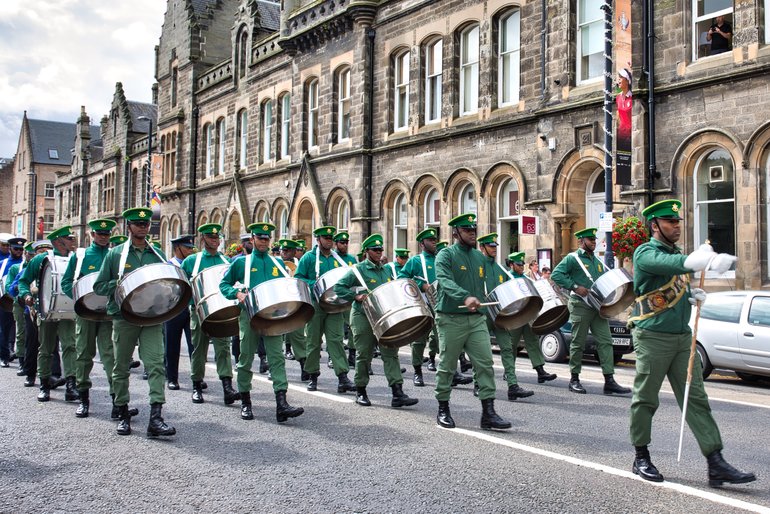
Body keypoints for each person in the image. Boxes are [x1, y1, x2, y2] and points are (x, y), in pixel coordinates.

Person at [628, 199, 755, 486]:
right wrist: (702, 260)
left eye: (678, 222)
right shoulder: (645, 252)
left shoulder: (679, 255)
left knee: (696, 399)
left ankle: (716, 462)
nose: (676, 226)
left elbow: (677, 279)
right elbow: (668, 265)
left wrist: (691, 296)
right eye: (670, 222)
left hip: (683, 338)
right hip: (652, 337)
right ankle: (641, 456)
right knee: (646, 398)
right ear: (654, 225)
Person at [93, 207, 176, 437]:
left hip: (151, 317)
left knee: (156, 365)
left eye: (146, 224)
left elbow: (168, 285)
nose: (143, 227)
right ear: (128, 227)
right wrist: (120, 285)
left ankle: (156, 418)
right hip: (124, 317)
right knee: (121, 367)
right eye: (138, 224)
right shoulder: (115, 254)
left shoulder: (157, 253)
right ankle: (122, 412)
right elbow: (99, 286)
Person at [219, 222, 304, 422]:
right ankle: (246, 402)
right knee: (246, 358)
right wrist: (236, 293)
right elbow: (223, 284)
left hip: (272, 316)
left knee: (276, 358)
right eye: (260, 238)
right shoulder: (242, 263)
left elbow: (286, 286)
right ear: (252, 240)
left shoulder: (278, 264)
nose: (264, 241)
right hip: (248, 315)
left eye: (267, 238)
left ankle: (281, 404)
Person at [433, 213, 510, 430]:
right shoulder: (445, 255)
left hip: (476, 319)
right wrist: (464, 297)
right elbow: (444, 281)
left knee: (485, 363)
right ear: (456, 233)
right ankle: (443, 408)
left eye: (474, 230)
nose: (472, 233)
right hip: (451, 318)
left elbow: (486, 286)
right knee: (448, 365)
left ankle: (489, 413)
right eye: (467, 230)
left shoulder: (479, 258)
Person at [333, 233, 418, 409]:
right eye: (375, 249)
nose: (379, 252)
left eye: (380, 249)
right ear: (366, 252)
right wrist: (355, 296)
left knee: (391, 352)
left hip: (383, 316)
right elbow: (339, 287)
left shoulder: (386, 270)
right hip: (362, 316)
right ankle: (361, 390)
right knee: (364, 354)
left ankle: (397, 393)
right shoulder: (358, 270)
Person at [551, 227, 632, 395]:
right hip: (580, 305)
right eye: (590, 240)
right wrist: (574, 286)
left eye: (594, 240)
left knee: (605, 341)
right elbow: (556, 275)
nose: (594, 242)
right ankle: (574, 379)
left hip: (597, 307)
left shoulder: (597, 261)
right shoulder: (572, 259)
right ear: (581, 241)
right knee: (578, 343)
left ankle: (609, 380)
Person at [61, 219, 116, 419]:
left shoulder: (115, 255)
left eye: (107, 234)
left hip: (108, 312)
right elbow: (67, 282)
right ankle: (83, 398)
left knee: (110, 355)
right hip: (86, 311)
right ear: (92, 235)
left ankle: (116, 400)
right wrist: (79, 299)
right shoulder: (81, 255)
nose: (103, 237)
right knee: (84, 354)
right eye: (100, 234)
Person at [18, 226, 79, 403]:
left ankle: (71, 385)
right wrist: (27, 295)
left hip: (68, 309)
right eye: (69, 239)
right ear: (59, 241)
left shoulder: (74, 259)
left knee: (70, 346)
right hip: (46, 309)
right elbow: (23, 281)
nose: (72, 241)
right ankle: (44, 385)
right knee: (45, 348)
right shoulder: (40, 260)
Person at [181, 223, 239, 406]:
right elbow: (183, 288)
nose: (215, 240)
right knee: (199, 349)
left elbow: (233, 284)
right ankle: (197, 386)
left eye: (217, 237)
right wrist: (193, 304)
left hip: (221, 310)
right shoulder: (192, 261)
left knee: (223, 348)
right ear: (203, 238)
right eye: (211, 237)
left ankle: (227, 387)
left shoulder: (226, 261)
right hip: (199, 311)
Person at [294, 226, 355, 394]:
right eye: (325, 238)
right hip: (315, 305)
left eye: (330, 238)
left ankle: (342, 377)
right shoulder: (308, 257)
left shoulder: (337, 259)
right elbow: (298, 278)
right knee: (313, 341)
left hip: (334, 304)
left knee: (336, 340)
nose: (329, 241)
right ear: (318, 239)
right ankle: (312, 375)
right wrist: (316, 284)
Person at [504, 251, 558, 388]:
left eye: (522, 264)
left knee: (532, 341)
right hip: (514, 315)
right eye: (518, 264)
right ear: (511, 264)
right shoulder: (506, 277)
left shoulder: (527, 279)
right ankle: (508, 371)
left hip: (527, 314)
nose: (521, 267)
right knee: (511, 344)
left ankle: (540, 372)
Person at [398, 228, 441, 384]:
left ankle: (448, 372)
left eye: (435, 239)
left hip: (440, 305)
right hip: (422, 304)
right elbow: (403, 278)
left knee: (443, 339)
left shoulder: (440, 259)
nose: (434, 241)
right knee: (419, 340)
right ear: (422, 244)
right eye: (430, 240)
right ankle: (417, 371)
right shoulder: (415, 261)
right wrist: (421, 284)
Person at [164, 234, 195, 390]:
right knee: (172, 345)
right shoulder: (169, 265)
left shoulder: (193, 264)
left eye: (191, 248)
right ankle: (172, 378)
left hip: (190, 308)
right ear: (177, 248)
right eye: (187, 248)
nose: (190, 251)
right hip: (173, 309)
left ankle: (197, 376)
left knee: (194, 344)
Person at [279, 238, 307, 375]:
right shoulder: (275, 263)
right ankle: (274, 368)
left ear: (294, 252)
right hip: (278, 303)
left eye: (287, 250)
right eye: (282, 250)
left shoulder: (299, 264)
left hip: (294, 302)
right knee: (276, 336)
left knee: (298, 335)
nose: (284, 253)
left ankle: (303, 365)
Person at [5, 240, 30, 374]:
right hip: (20, 303)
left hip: (36, 304)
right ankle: (21, 361)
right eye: (29, 254)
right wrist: (20, 285)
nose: (20, 252)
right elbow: (9, 287)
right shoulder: (16, 268)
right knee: (21, 332)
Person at [333, 231, 357, 366]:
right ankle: (334, 355)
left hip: (348, 298)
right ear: (336, 244)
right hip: (333, 299)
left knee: (353, 326)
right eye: (342, 242)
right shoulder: (331, 258)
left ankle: (352, 354)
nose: (345, 245)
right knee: (336, 331)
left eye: (346, 242)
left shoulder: (352, 260)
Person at [0, 237, 24, 367]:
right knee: (3, 329)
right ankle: (4, 356)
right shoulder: (2, 263)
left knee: (21, 330)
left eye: (21, 249)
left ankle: (21, 356)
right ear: (10, 248)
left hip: (21, 301)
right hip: (5, 301)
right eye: (16, 249)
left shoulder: (24, 264)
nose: (19, 251)